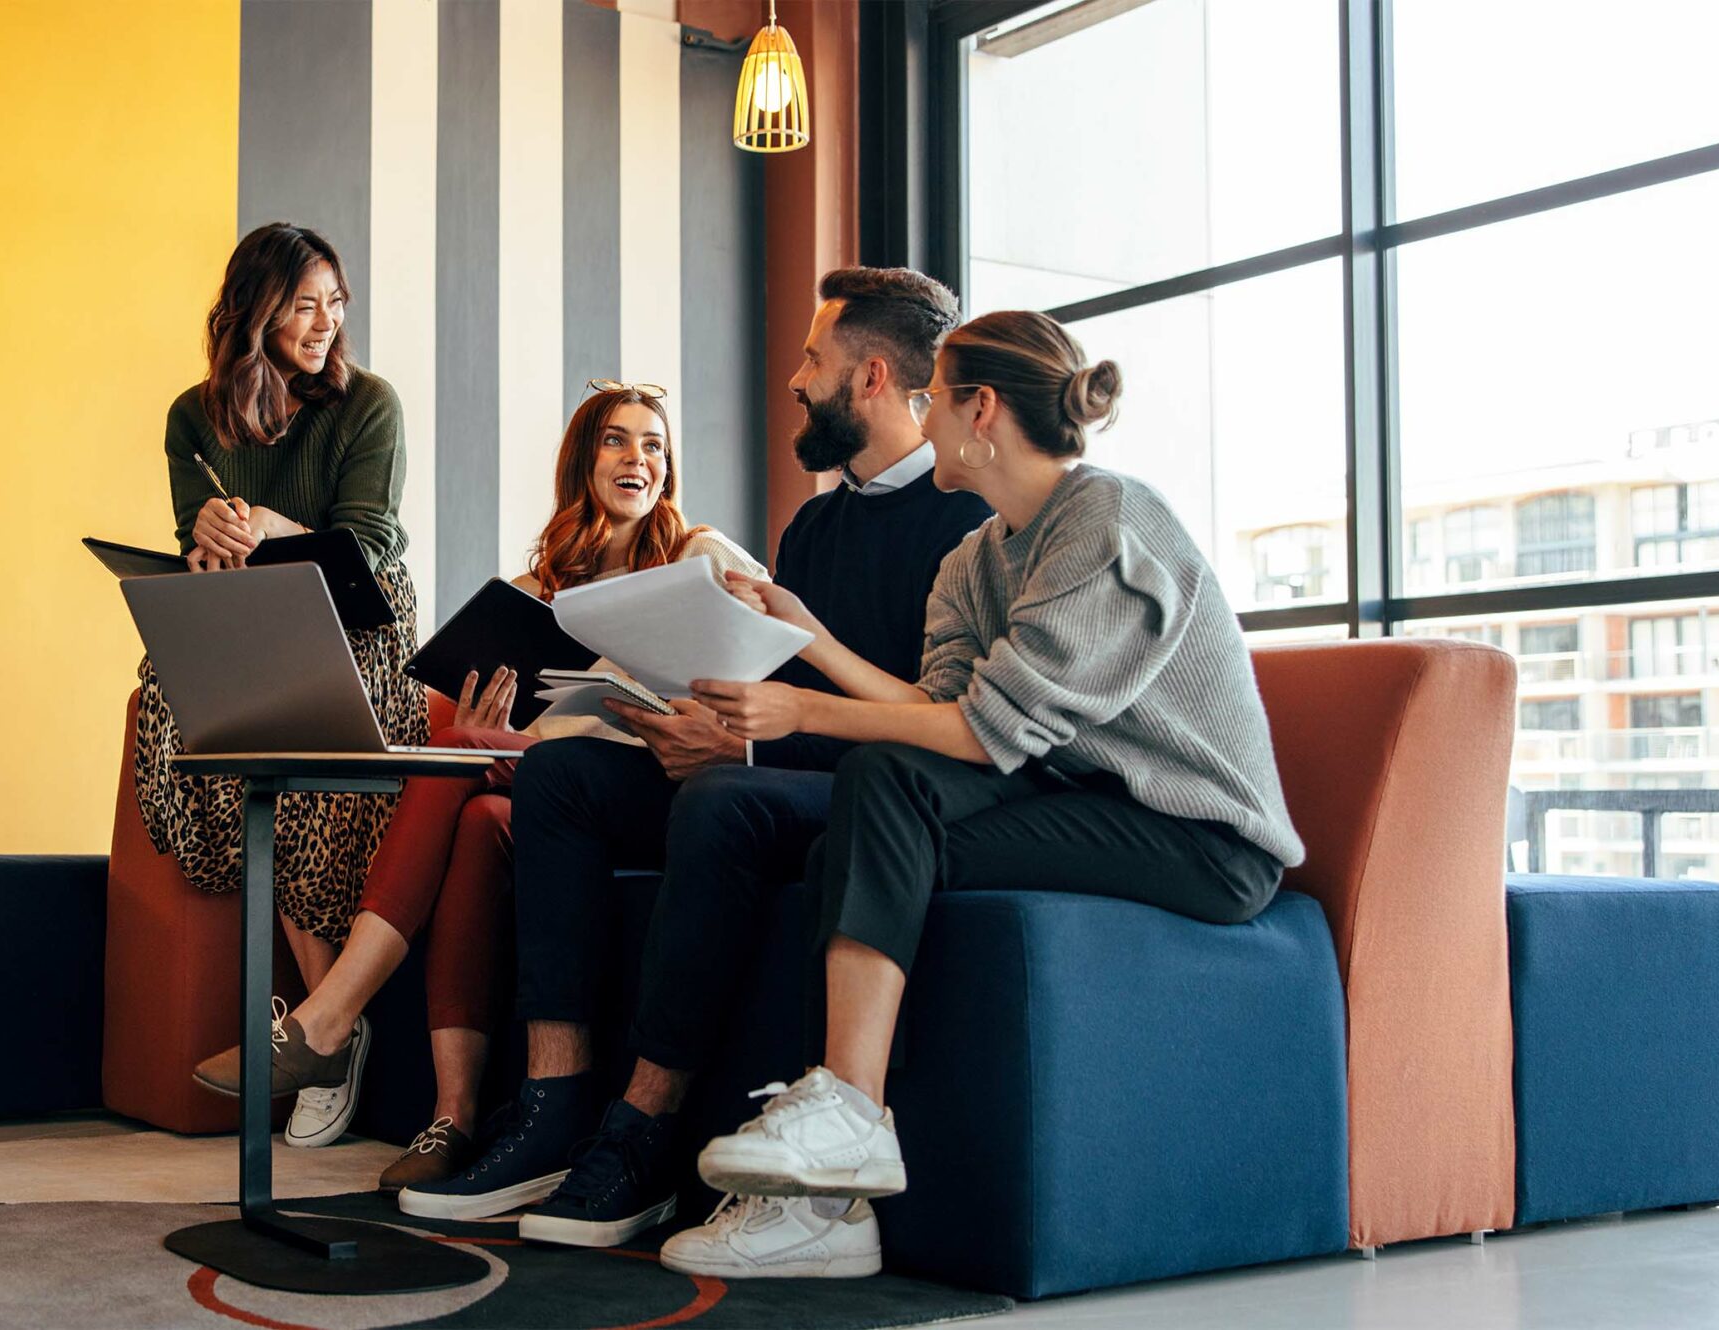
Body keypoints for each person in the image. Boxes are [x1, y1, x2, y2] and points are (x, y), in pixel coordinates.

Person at [676, 309, 1307, 1278]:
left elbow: (980, 731)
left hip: (1200, 838)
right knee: (865, 812)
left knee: (879, 782)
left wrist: (800, 709)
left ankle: (845, 1126)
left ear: (981, 411)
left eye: (934, 403)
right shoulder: (973, 561)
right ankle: (830, 1203)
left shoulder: (1106, 522)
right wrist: (808, 635)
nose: (920, 422)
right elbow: (939, 713)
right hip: (1079, 798)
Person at [397, 268, 993, 1267]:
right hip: (770, 762)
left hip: (870, 795)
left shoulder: (965, 524)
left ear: (872, 377)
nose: (795, 380)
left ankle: (643, 1133)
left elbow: (937, 728)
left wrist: (746, 745)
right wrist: (693, 718)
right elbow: (761, 674)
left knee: (721, 798)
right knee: (558, 783)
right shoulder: (812, 526)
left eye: (812, 359)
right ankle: (551, 1109)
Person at [191, 379, 763, 1181]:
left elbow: (768, 659)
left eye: (654, 445)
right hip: (553, 795)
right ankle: (450, 1119)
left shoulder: (698, 556)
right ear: (582, 463)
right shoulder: (535, 595)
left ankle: (327, 1021)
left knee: (474, 762)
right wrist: (492, 732)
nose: (639, 457)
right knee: (471, 789)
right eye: (617, 441)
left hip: (665, 786)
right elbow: (525, 739)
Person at [133, 222, 425, 1151]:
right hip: (252, 614)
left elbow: (370, 548)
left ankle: (322, 1030)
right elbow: (195, 536)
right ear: (256, 308)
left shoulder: (369, 404)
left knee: (297, 751)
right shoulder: (193, 415)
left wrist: (270, 524)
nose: (325, 321)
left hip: (359, 620)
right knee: (179, 698)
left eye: (336, 302)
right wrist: (210, 537)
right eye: (306, 303)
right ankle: (330, 1034)